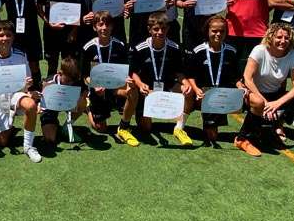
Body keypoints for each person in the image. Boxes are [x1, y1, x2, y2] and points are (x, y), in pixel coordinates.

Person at [237, 23, 294, 157]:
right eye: (279, 37)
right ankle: (242, 139)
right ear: (270, 37)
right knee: (258, 102)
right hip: (254, 92)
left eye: (286, 38)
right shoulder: (259, 50)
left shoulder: (293, 55)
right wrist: (265, 102)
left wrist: (277, 104)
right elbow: (247, 79)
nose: (283, 41)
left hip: (275, 95)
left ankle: (276, 125)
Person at [0, 21, 42, 163]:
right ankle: (9, 125)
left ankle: (28, 146)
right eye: (1, 35)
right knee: (2, 142)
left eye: (8, 35)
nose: (5, 39)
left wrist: (29, 84)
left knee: (30, 105)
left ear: (13, 37)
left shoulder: (20, 55)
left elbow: (27, 79)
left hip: (16, 94)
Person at [129, 12, 191, 145]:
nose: (160, 32)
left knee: (188, 91)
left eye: (163, 29)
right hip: (147, 90)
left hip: (167, 86)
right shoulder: (140, 48)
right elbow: (133, 72)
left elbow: (178, 72)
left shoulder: (174, 48)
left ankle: (179, 127)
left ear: (168, 29)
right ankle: (140, 111)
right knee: (146, 128)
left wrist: (185, 83)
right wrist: (140, 84)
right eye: (156, 29)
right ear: (149, 30)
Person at [81, 11, 139, 146]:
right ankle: (88, 107)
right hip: (98, 89)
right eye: (100, 25)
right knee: (100, 129)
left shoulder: (120, 46)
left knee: (133, 90)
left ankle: (123, 126)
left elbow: (126, 71)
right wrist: (95, 85)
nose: (104, 28)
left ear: (112, 26)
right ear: (95, 27)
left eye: (107, 24)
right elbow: (85, 76)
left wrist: (128, 81)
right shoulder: (88, 48)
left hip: (115, 87)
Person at [183, 15, 243, 147]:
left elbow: (236, 76)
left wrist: (240, 86)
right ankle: (180, 126)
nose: (218, 34)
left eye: (222, 31)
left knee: (213, 136)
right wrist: (196, 89)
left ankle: (249, 133)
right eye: (214, 31)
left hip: (223, 94)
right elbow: (190, 76)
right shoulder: (198, 51)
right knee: (211, 136)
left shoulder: (230, 51)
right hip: (204, 94)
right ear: (207, 31)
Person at [0, 0, 43, 91]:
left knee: (33, 64)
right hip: (13, 33)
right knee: (14, 63)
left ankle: (36, 91)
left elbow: (42, 5)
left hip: (32, 31)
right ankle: (15, 90)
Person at [40, 57, 89, 147]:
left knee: (83, 101)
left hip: (68, 105)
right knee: (50, 139)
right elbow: (43, 107)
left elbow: (84, 93)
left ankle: (67, 126)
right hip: (50, 110)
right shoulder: (49, 83)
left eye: (72, 81)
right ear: (60, 73)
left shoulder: (75, 80)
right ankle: (54, 125)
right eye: (67, 81)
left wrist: (84, 95)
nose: (70, 84)